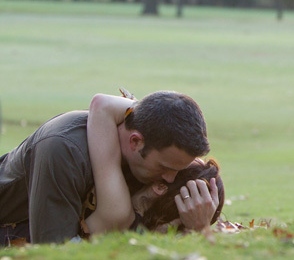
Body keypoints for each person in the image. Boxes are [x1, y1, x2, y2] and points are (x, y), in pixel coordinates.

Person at [0, 90, 212, 246]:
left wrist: (200, 229)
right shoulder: (63, 149)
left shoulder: (143, 141)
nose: (169, 178)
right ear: (135, 142)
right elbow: (54, 254)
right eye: (164, 167)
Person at [82, 93, 223, 237]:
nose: (170, 179)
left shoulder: (133, 174)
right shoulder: (118, 211)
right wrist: (200, 231)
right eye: (166, 167)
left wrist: (148, 113)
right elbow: (101, 103)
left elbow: (103, 104)